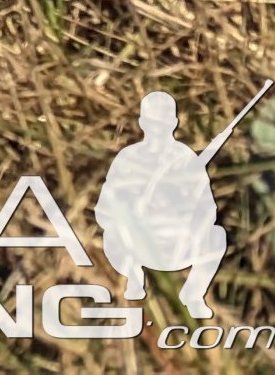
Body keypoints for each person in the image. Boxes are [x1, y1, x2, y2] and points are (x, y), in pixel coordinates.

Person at [94, 92, 228, 318]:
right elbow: (104, 211)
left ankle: (194, 295)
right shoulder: (128, 158)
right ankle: (134, 282)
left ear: (174, 123)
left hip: (181, 243)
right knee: (112, 235)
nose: (158, 129)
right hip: (136, 244)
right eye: (153, 123)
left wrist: (187, 211)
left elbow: (208, 209)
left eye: (164, 123)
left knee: (217, 236)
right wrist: (131, 214)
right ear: (142, 123)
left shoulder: (185, 157)